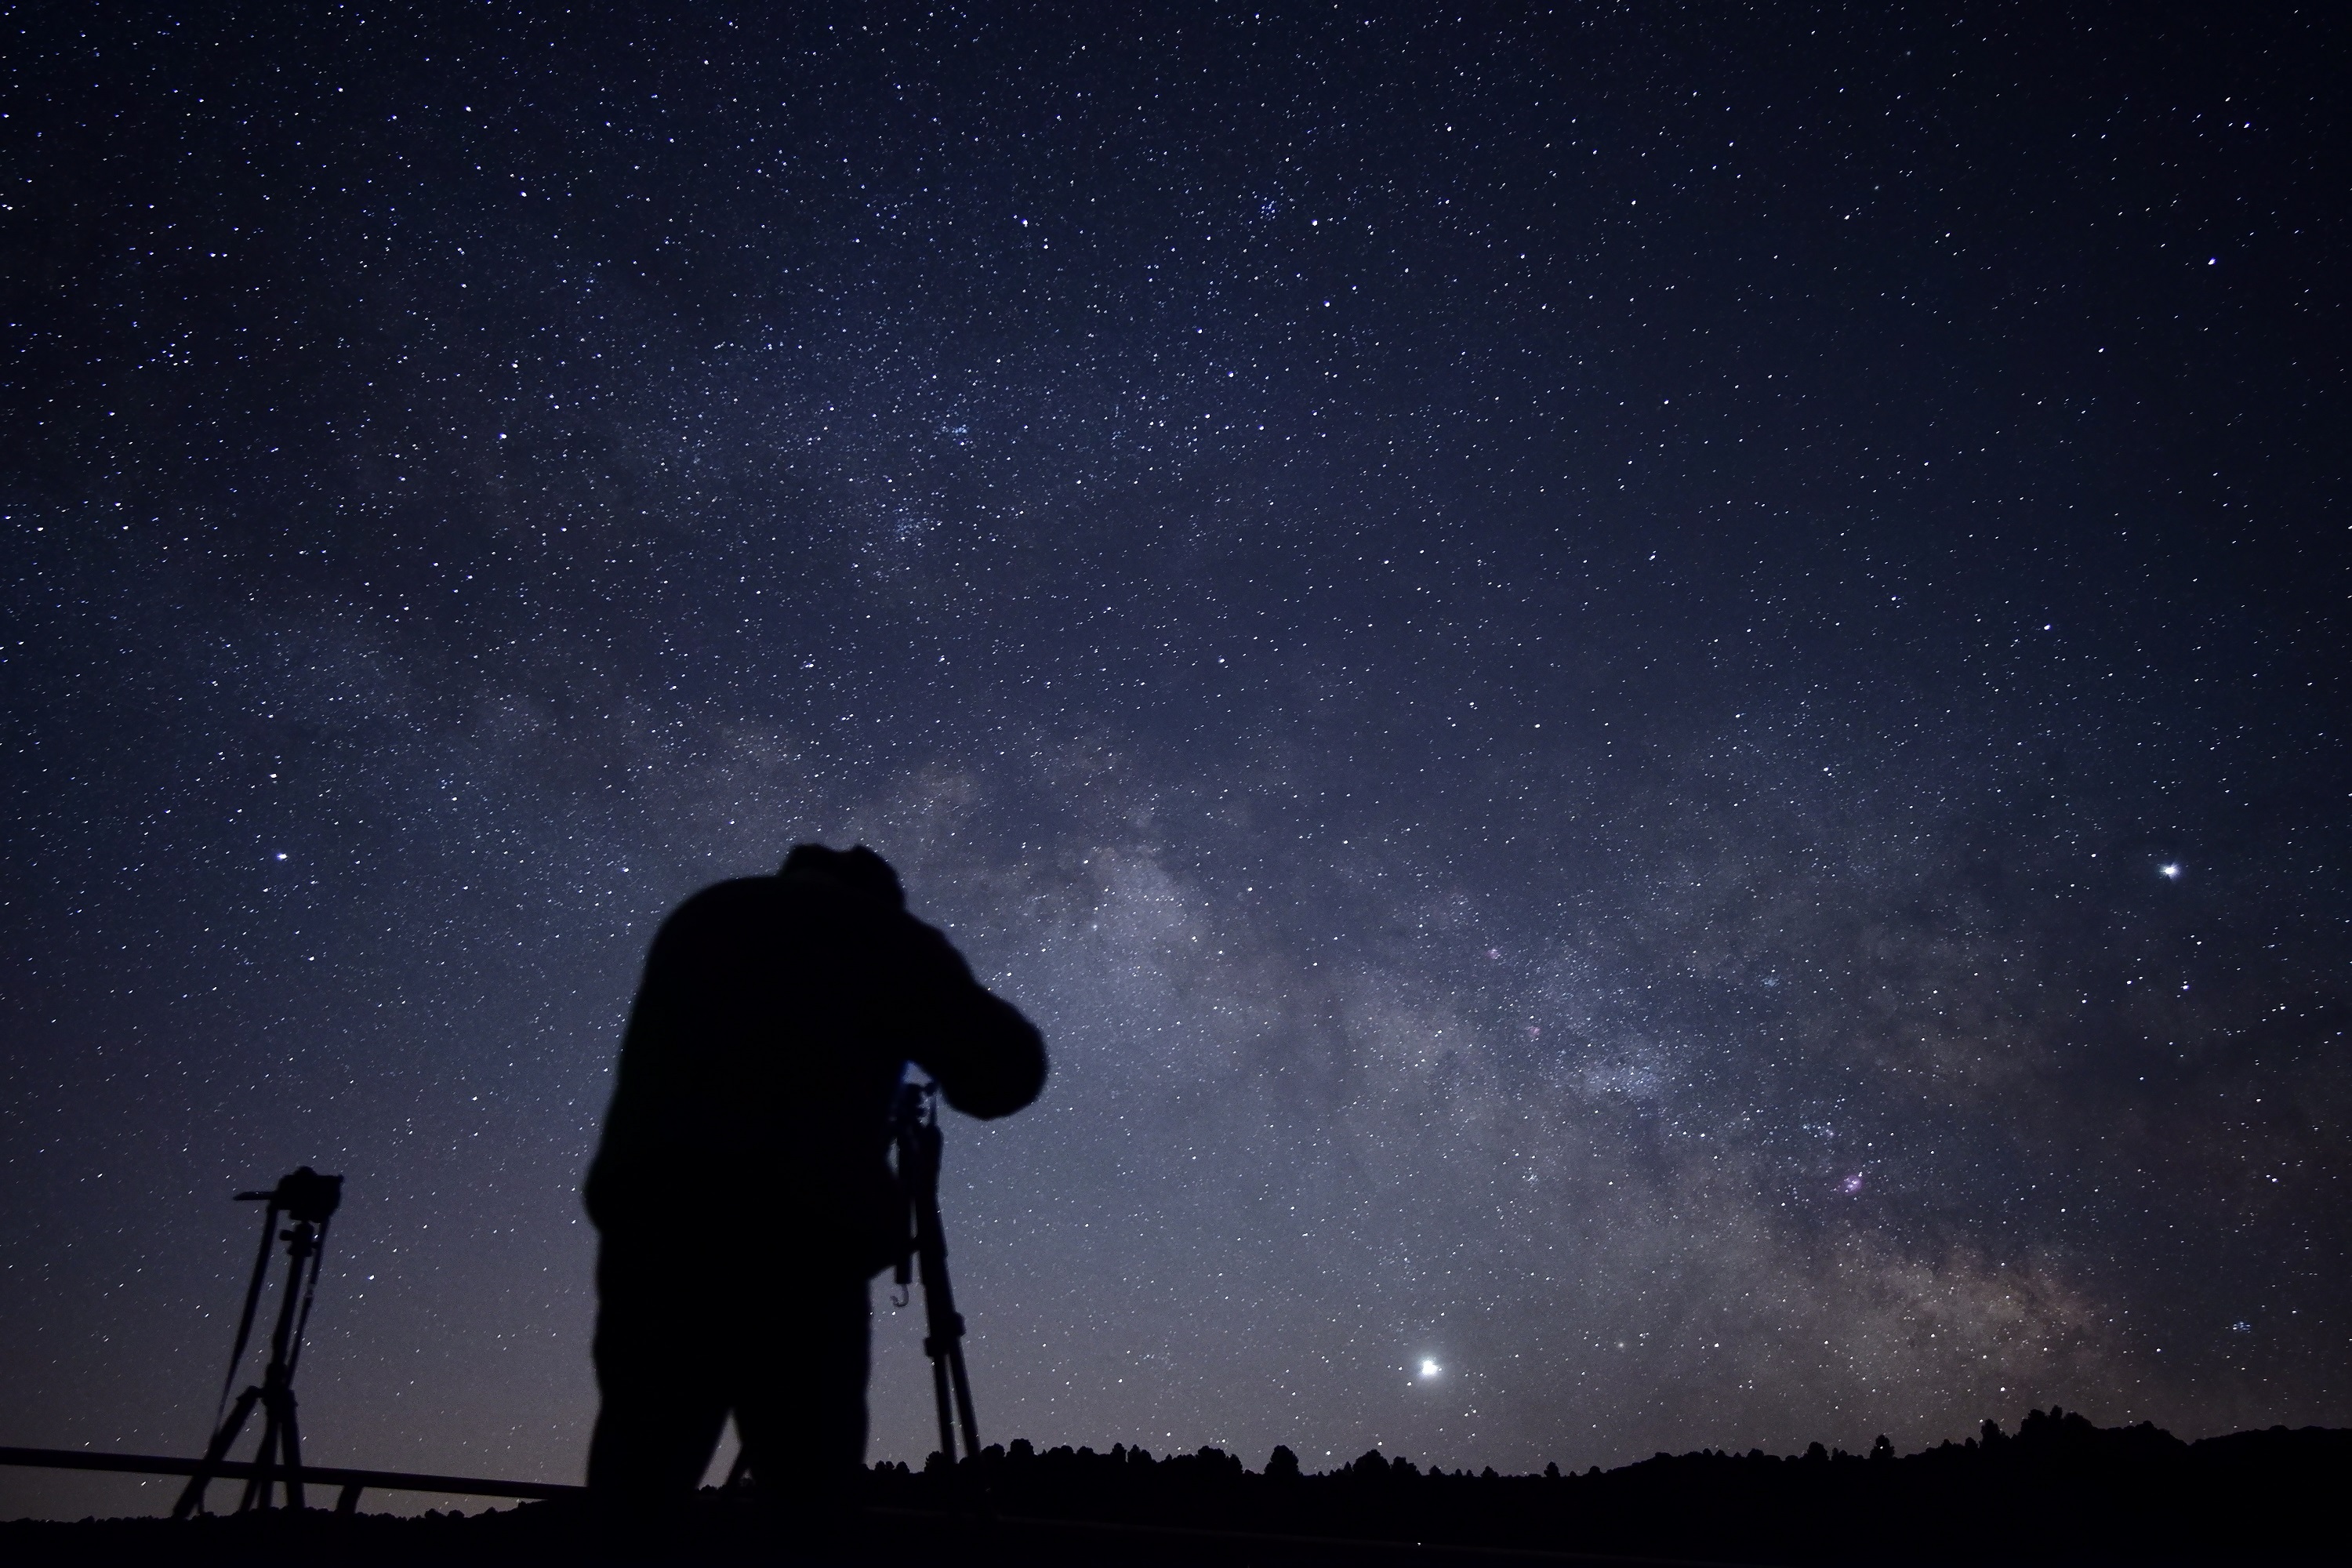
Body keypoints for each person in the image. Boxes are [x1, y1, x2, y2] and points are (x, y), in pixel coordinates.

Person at [582, 844, 1046, 1527]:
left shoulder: (705, 915)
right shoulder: (875, 932)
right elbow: (1006, 1071)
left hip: (654, 1233)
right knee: (807, 1496)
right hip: (797, 1245)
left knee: (638, 1482)